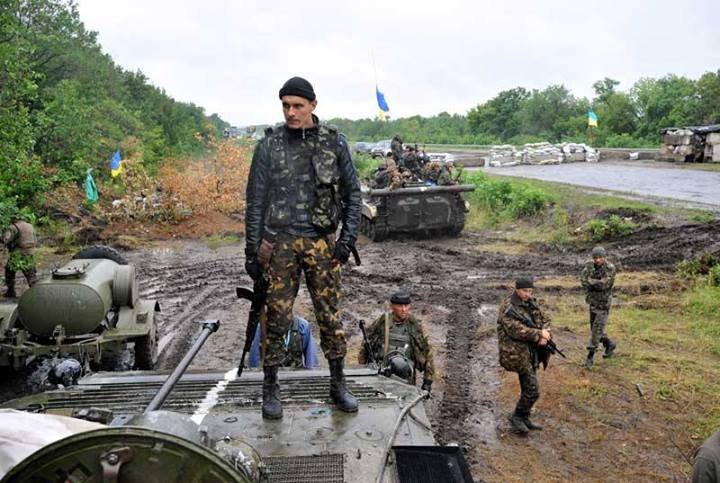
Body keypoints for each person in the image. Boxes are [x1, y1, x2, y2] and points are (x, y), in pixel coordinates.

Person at [244, 76, 362, 419]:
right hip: (279, 245)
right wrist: (252, 252)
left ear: (313, 105)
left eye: (297, 105)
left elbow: (353, 195)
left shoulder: (333, 143)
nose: (291, 112)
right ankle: (271, 388)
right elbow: (255, 201)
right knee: (277, 318)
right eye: (285, 105)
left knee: (329, 316)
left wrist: (346, 241)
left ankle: (338, 384)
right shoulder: (269, 146)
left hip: (321, 244)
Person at [497, 277, 552, 434]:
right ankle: (517, 416)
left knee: (527, 386)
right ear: (517, 289)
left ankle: (524, 417)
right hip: (516, 353)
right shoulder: (507, 307)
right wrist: (538, 334)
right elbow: (515, 330)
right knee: (533, 390)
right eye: (525, 291)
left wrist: (546, 332)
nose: (528, 294)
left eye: (530, 291)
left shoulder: (531, 302)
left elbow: (545, 318)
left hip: (530, 352)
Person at [358, 290, 434, 393]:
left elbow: (428, 353)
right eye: (400, 306)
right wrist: (362, 370)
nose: (404, 310)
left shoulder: (414, 325)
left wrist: (427, 382)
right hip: (381, 375)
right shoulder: (383, 321)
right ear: (392, 306)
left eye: (406, 306)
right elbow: (366, 344)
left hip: (405, 377)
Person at [580, 246, 617, 369]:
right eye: (595, 257)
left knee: (596, 330)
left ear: (604, 257)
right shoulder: (589, 266)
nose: (597, 260)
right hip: (593, 302)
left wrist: (592, 283)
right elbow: (583, 280)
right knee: (595, 329)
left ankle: (590, 357)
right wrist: (594, 283)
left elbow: (604, 285)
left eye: (600, 257)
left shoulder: (610, 268)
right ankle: (609, 344)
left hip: (603, 304)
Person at [248, 315, 319, 369]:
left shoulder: (302, 325)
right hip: (271, 377)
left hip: (296, 377)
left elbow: (311, 359)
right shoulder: (263, 326)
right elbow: (255, 358)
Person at [2, 212, 38, 298]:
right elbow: (35, 239)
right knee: (31, 274)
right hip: (31, 252)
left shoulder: (13, 227)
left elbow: (6, 239)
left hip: (18, 253)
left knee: (9, 271)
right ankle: (36, 293)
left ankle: (11, 292)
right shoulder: (30, 225)